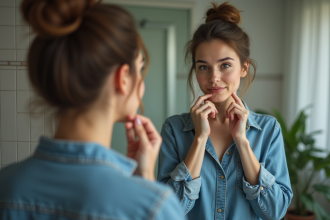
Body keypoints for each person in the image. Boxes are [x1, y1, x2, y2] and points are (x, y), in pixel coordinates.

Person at [0, 0, 185, 219]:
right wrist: (145, 187)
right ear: (123, 78)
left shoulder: (6, 184)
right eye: (140, 68)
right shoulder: (154, 206)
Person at [157, 2, 293, 220]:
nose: (213, 78)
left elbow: (275, 212)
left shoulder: (268, 130)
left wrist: (242, 141)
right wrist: (200, 139)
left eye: (225, 65)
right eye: (203, 67)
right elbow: (168, 212)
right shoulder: (173, 129)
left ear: (244, 68)